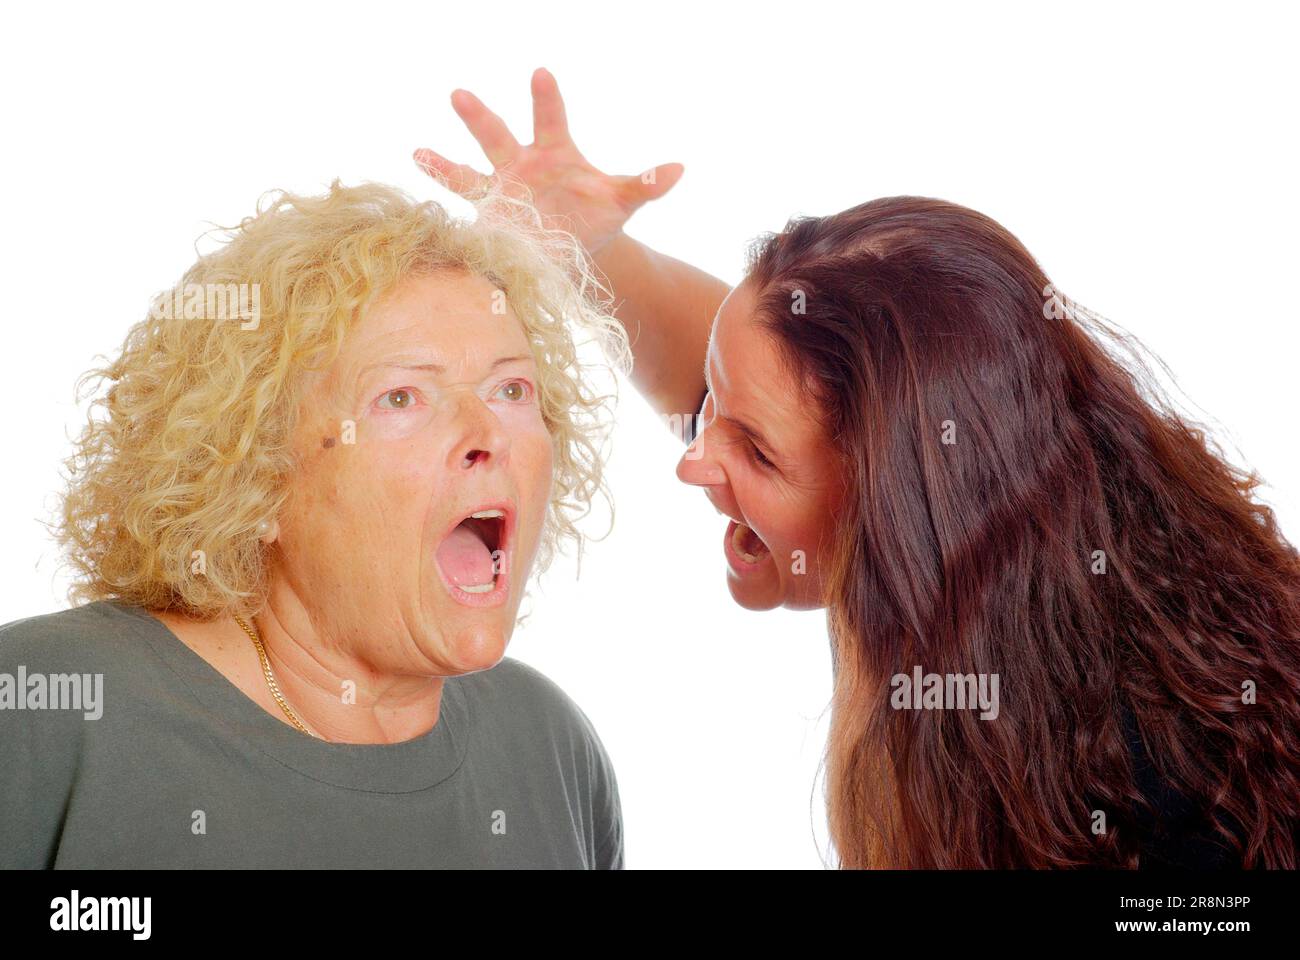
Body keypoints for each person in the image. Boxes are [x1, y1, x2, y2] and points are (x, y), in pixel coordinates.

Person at [414, 68, 1300, 868]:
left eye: (754, 451)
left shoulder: (1168, 810)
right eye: (713, 406)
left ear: (906, 512)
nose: (695, 459)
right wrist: (586, 248)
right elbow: (727, 366)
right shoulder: (984, 534)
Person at [0, 179, 628, 869]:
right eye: (401, 397)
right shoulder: (46, 707)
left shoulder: (549, 747)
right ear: (258, 478)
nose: (487, 433)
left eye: (511, 389)